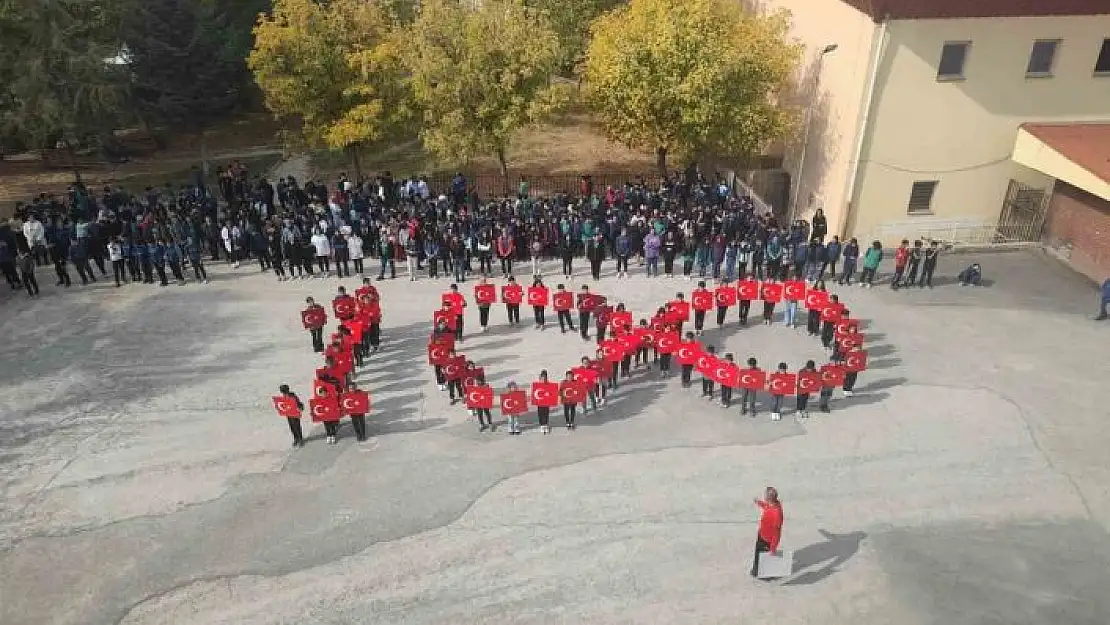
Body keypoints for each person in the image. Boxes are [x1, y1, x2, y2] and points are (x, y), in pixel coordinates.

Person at [750, 487, 784, 578]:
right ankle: (756, 570)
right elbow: (766, 506)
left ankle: (765, 575)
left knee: (765, 557)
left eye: (765, 495)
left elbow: (777, 533)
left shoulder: (777, 514)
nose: (764, 496)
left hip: (767, 540)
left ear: (769, 498)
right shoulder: (772, 504)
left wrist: (773, 548)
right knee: (757, 554)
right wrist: (759, 502)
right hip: (761, 534)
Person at [536, 370, 553, 435]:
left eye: (545, 378)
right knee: (540, 413)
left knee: (546, 413)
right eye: (542, 378)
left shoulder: (549, 384)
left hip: (546, 402)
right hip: (539, 402)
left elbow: (552, 392)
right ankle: (542, 425)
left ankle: (545, 424)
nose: (543, 380)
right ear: (540, 378)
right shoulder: (537, 385)